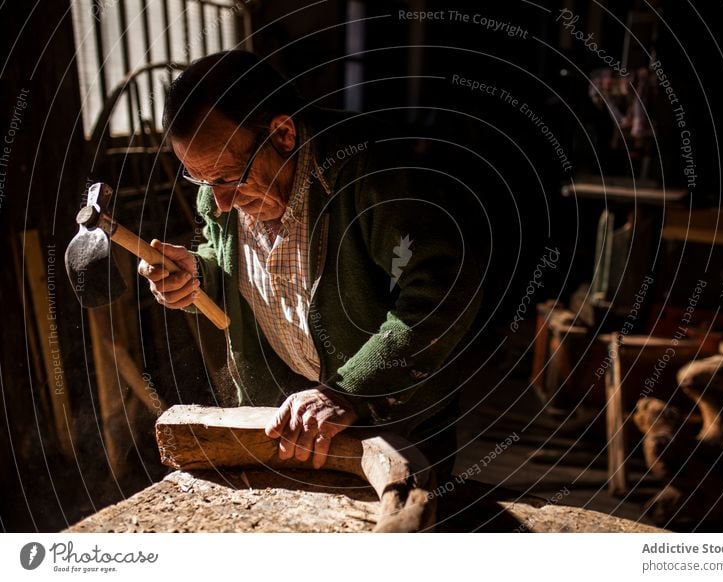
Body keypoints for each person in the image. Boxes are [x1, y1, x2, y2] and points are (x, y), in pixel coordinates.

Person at [138, 50, 482, 474]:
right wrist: (199, 274)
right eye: (201, 179)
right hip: (287, 420)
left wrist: (349, 392)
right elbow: (232, 260)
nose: (219, 203)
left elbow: (445, 291)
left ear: (282, 133)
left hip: (392, 417)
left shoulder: (373, 172)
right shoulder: (220, 189)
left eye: (228, 177)